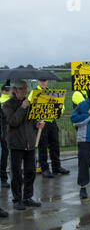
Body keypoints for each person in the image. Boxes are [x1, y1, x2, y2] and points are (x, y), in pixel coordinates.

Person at [3, 80, 45, 210]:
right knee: (16, 173)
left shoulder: (29, 103)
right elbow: (13, 121)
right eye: (21, 89)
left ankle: (27, 197)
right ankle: (17, 199)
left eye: (25, 89)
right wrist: (22, 108)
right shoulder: (8, 105)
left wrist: (37, 124)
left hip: (30, 142)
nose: (24, 92)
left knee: (30, 171)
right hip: (16, 143)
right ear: (15, 90)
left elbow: (31, 121)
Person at [30, 79, 70, 178]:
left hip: (52, 122)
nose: (43, 82)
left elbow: (61, 105)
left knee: (55, 146)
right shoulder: (34, 92)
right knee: (42, 147)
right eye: (41, 81)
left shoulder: (52, 93)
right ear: (38, 82)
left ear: (47, 82)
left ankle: (56, 167)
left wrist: (58, 111)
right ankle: (45, 169)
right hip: (41, 123)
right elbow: (31, 106)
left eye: (45, 81)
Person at [0, 81, 11, 188]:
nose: (8, 92)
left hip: (7, 131)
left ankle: (5, 178)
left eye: (9, 90)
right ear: (3, 91)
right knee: (5, 156)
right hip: (5, 130)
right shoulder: (5, 101)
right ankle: (3, 178)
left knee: (6, 156)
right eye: (6, 90)